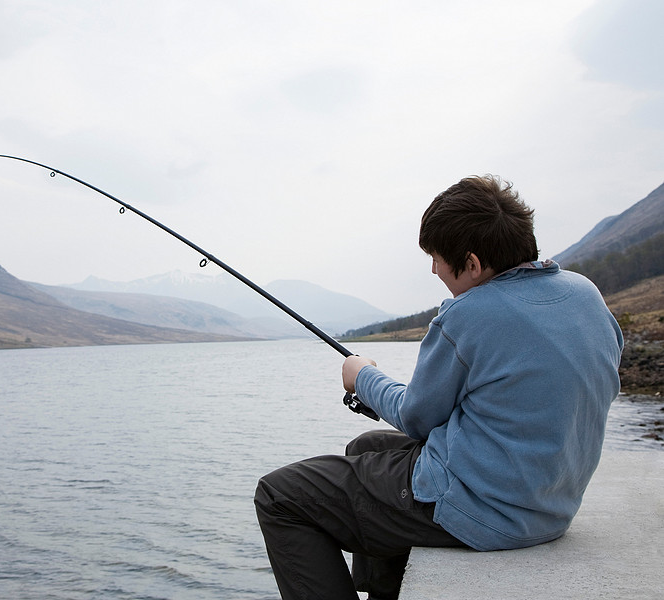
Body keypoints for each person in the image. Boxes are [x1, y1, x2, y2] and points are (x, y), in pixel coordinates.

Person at [254, 175, 624, 600]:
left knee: (280, 495)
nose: (433, 270)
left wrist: (362, 376)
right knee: (366, 446)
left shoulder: (468, 314)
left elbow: (416, 417)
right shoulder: (585, 294)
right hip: (550, 505)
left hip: (487, 512)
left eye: (436, 259)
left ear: (472, 263)